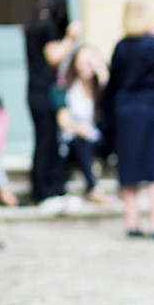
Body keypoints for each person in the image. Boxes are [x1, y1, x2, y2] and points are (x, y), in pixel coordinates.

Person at [103, 0, 154, 238]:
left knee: (129, 166)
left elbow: (112, 84)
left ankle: (132, 222)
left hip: (126, 112)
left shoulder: (121, 47)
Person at [24, 0, 83, 208]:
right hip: (44, 92)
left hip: (34, 91)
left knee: (44, 140)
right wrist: (70, 37)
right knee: (47, 141)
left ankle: (45, 188)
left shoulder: (33, 23)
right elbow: (53, 57)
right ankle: (44, 190)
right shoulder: (46, 25)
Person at [50, 45, 111, 203]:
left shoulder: (100, 89)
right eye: (82, 63)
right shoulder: (66, 89)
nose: (86, 67)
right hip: (75, 141)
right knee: (81, 142)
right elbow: (64, 121)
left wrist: (103, 77)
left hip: (97, 140)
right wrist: (81, 130)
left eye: (90, 62)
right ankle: (93, 188)